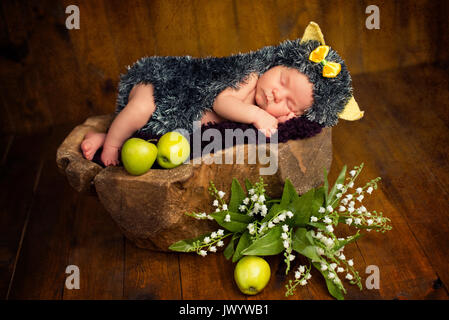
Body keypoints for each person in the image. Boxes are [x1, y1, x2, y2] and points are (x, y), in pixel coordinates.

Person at [81, 64, 315, 166]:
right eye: (283, 81)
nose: (277, 93)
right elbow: (220, 102)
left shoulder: (269, 114)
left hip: (174, 125)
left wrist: (282, 118)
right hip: (162, 92)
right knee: (142, 108)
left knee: (152, 142)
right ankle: (111, 143)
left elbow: (281, 126)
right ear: (277, 65)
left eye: (288, 103)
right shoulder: (250, 78)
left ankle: (104, 137)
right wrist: (256, 114)